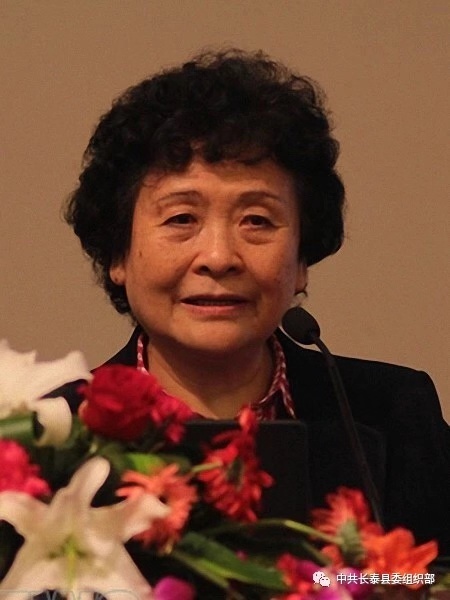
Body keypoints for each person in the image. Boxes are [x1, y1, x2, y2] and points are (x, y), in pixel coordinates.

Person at [57, 49, 450, 555]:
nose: (219, 257)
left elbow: (430, 579)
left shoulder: (393, 413)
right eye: (181, 219)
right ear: (118, 254)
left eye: (257, 221)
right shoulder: (53, 431)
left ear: (302, 258)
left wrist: (347, 583)